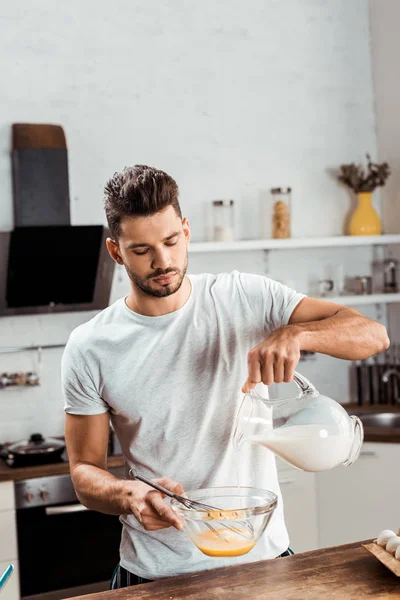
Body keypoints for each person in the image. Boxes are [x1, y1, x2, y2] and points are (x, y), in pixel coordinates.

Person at [61, 164, 389, 589]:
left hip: (264, 564)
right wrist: (129, 495)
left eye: (171, 241)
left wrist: (297, 333)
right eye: (142, 250)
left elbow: (373, 334)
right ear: (116, 251)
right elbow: (84, 471)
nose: (163, 261)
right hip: (155, 574)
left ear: (186, 230)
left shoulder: (245, 297)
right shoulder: (90, 345)